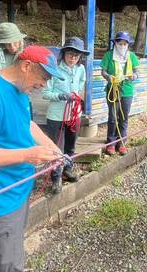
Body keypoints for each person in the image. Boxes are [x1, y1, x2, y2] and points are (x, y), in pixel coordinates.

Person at [0, 45, 64, 272]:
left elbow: (28, 124)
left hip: (18, 189)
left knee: (14, 250)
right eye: (44, 77)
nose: (44, 85)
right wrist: (28, 155)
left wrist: (54, 148)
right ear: (26, 65)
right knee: (5, 264)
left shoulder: (20, 92)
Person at [43, 37, 89, 194]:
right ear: (63, 54)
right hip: (56, 116)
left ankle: (68, 169)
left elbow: (82, 81)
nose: (73, 58)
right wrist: (61, 96)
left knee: (70, 145)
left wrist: (76, 94)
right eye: (70, 54)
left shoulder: (80, 69)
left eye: (77, 55)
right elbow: (45, 93)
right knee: (56, 148)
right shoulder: (54, 69)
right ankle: (55, 176)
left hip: (74, 114)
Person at [100, 31, 140, 156]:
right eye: (120, 43)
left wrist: (134, 76)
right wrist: (109, 77)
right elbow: (103, 71)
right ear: (115, 43)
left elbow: (137, 71)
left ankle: (121, 142)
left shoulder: (131, 56)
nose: (122, 45)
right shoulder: (109, 55)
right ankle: (110, 143)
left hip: (127, 90)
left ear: (128, 44)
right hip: (113, 89)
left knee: (124, 117)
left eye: (124, 43)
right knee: (112, 117)